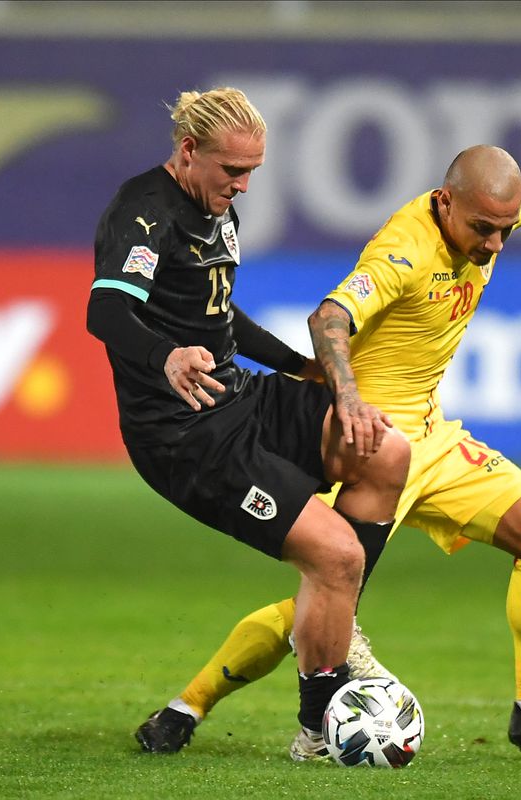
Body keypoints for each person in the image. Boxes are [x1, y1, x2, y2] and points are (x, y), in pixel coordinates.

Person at [140, 134, 521, 760]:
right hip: (374, 447)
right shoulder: (405, 251)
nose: (494, 244)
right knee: (329, 603)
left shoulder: (490, 211)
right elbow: (329, 317)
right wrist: (349, 401)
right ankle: (187, 706)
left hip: (436, 439)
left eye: (505, 230)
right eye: (484, 228)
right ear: (445, 202)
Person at [85, 86, 410, 754]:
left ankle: (334, 626)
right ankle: (318, 723)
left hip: (241, 397)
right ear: (188, 151)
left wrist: (298, 365)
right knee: (337, 552)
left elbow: (219, 316)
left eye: (253, 172)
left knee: (384, 450)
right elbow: (107, 311)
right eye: (233, 170)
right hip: (185, 433)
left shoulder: (216, 211)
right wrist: (165, 355)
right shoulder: (144, 214)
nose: (243, 185)